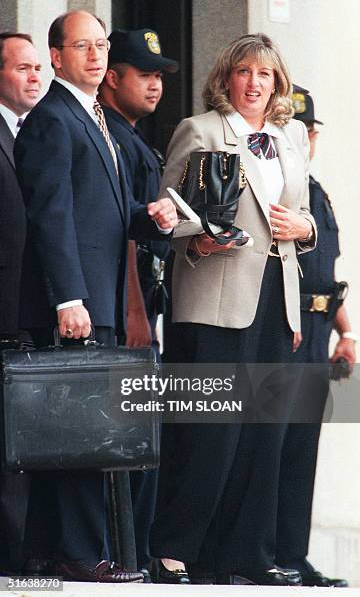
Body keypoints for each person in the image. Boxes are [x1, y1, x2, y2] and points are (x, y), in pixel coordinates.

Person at [13, 10, 177, 583]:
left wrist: (149, 218)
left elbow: (101, 214)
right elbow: (52, 216)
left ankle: (44, 553)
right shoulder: (53, 118)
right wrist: (68, 300)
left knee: (72, 432)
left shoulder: (95, 118)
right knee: (80, 434)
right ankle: (81, 556)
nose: (96, 55)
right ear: (56, 57)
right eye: (82, 46)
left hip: (97, 300)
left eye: (102, 45)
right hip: (77, 306)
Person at [149, 33, 317, 586]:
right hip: (217, 292)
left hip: (277, 294)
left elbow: (303, 215)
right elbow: (168, 218)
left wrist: (307, 228)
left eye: (264, 75)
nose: (253, 83)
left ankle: (247, 555)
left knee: (263, 431)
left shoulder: (291, 136)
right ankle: (176, 548)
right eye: (244, 73)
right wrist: (195, 242)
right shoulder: (200, 130)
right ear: (226, 79)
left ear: (277, 85)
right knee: (211, 429)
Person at [97, 28, 178, 581]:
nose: (154, 84)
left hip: (145, 304)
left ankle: (138, 551)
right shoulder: (114, 138)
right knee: (122, 438)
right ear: (112, 76)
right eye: (142, 73)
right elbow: (123, 236)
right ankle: (124, 553)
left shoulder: (134, 138)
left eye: (159, 76)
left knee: (145, 438)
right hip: (125, 309)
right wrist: (133, 313)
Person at [275, 86, 356, 587]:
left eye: (308, 130)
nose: (303, 138)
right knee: (273, 445)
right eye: (293, 129)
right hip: (287, 331)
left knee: (303, 448)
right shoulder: (282, 190)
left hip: (320, 332)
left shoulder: (316, 191)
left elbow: (329, 274)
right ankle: (265, 552)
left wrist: (347, 333)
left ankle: (293, 553)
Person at [0, 31, 42, 572]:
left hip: (24, 315)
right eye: (22, 68)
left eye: (38, 68)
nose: (35, 77)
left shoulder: (34, 133)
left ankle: (20, 557)